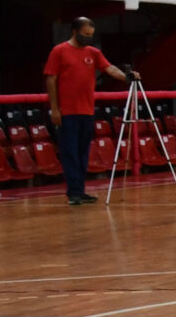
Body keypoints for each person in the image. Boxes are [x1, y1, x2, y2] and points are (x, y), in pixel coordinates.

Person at [42, 16, 134, 205]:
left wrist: (126, 77)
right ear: (74, 31)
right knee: (70, 152)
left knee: (83, 152)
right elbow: (51, 79)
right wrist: (55, 108)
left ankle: (80, 190)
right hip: (67, 111)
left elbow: (109, 68)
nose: (88, 38)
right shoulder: (59, 51)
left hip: (87, 110)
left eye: (90, 35)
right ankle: (73, 192)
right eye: (85, 34)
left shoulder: (93, 52)